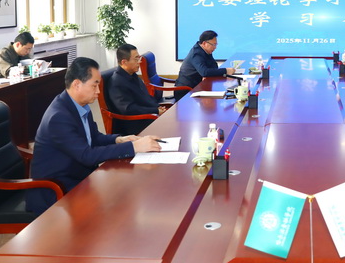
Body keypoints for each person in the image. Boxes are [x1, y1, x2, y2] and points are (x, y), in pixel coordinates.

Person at [27, 57, 161, 216]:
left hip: (77, 177)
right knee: (116, 206)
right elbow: (86, 155)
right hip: (56, 188)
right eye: (94, 85)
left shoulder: (79, 105)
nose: (98, 91)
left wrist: (119, 139)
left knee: (125, 193)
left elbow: (94, 138)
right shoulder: (59, 117)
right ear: (77, 84)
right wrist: (133, 147)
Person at [106, 43, 165, 135]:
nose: (139, 62)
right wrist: (155, 111)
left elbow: (144, 98)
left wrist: (157, 107)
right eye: (136, 59)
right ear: (124, 62)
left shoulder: (132, 75)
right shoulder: (117, 82)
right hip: (133, 124)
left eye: (139, 57)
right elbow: (128, 109)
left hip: (145, 117)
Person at [175, 30, 235, 100]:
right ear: (204, 43)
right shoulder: (196, 53)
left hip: (197, 87)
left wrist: (208, 73)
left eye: (216, 45)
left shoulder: (206, 51)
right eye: (213, 44)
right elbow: (204, 72)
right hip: (186, 91)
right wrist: (226, 71)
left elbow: (214, 66)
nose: (215, 47)